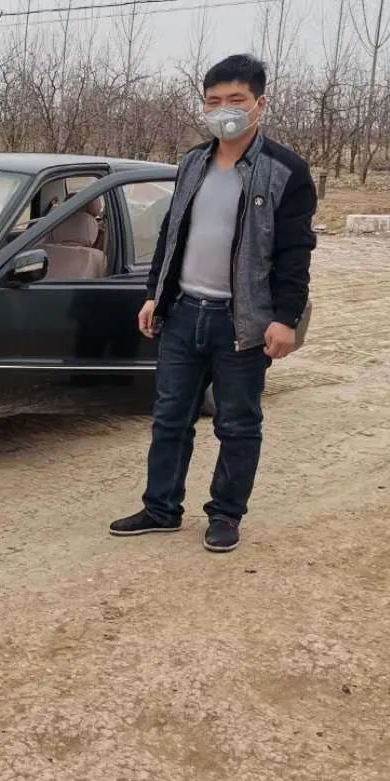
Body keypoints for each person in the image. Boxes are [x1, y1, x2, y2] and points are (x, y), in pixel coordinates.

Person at [110, 53, 317, 554]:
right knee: (169, 418)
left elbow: (295, 253)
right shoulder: (192, 163)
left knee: (238, 424)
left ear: (259, 104)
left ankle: (225, 515)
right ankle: (161, 508)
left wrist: (285, 319)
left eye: (235, 100)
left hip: (241, 322)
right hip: (184, 313)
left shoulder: (285, 171)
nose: (223, 110)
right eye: (213, 101)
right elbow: (171, 232)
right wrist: (154, 293)